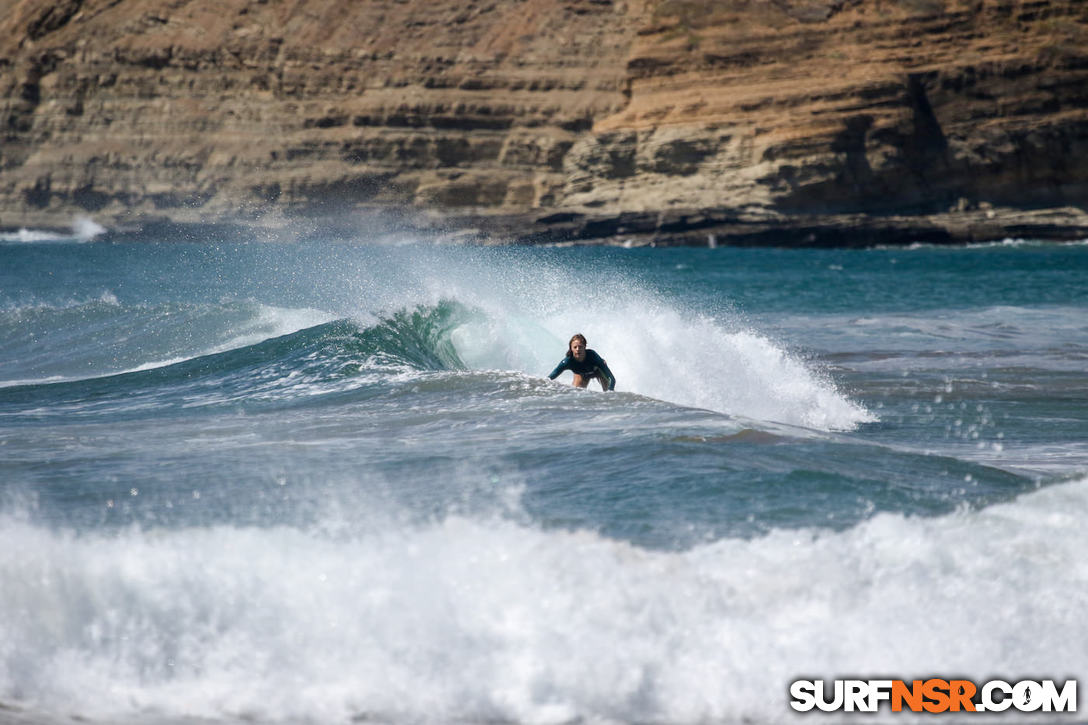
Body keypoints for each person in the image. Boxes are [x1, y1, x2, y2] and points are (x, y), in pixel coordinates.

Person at [547, 333, 616, 391]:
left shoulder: (593, 357)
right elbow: (549, 379)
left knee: (608, 391)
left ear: (585, 347)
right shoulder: (567, 362)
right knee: (575, 394)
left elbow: (612, 379)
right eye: (575, 347)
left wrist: (610, 394)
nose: (578, 349)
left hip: (598, 372)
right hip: (582, 375)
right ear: (571, 348)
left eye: (580, 347)